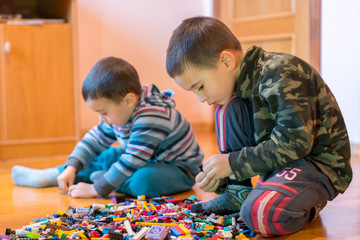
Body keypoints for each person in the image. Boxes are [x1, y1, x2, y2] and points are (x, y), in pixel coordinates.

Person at [166, 16, 352, 237]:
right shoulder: (242, 89)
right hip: (284, 162)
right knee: (228, 108)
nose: (200, 98)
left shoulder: (281, 72)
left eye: (200, 86)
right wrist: (222, 176)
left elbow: (295, 143)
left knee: (261, 215)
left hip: (317, 165)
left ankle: (310, 204)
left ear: (226, 61)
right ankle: (238, 193)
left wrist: (233, 163)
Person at [12, 57, 203, 198]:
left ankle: (107, 182)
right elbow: (94, 139)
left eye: (103, 112)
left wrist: (97, 189)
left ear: (129, 100)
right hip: (142, 158)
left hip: (178, 170)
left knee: (143, 181)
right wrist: (72, 165)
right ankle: (57, 174)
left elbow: (132, 160)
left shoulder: (152, 115)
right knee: (106, 156)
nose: (101, 118)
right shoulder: (122, 109)